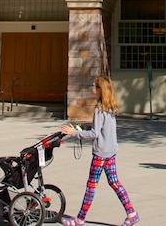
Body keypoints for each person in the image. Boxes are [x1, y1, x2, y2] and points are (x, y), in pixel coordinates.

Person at [59, 76, 140, 226]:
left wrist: (74, 133)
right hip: (111, 152)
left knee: (91, 186)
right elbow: (101, 131)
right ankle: (132, 213)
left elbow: (95, 134)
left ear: (99, 90)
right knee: (114, 182)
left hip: (101, 154)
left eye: (93, 86)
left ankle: (80, 219)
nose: (91, 88)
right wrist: (85, 129)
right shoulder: (109, 107)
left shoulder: (99, 109)